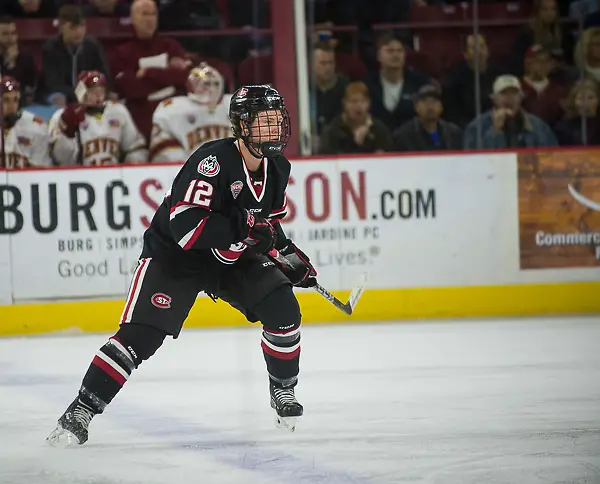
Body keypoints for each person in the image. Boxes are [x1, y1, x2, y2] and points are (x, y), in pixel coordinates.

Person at [46, 85, 317, 447]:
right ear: (241, 126)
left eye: (275, 120)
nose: (273, 129)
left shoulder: (278, 167)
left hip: (230, 255)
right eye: (262, 122)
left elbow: (263, 220)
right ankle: (80, 410)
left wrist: (286, 253)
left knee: (283, 307)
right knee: (140, 338)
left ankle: (283, 390)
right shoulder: (212, 161)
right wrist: (247, 229)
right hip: (176, 255)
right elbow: (188, 230)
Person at [48, 70, 148, 165]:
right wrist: (67, 133)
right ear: (81, 93)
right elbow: (61, 159)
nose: (98, 96)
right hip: (78, 178)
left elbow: (135, 147)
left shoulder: (117, 111)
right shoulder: (62, 115)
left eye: (101, 91)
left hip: (113, 176)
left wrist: (132, 167)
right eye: (93, 91)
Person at [149, 63, 232, 162]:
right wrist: (188, 166)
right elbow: (162, 150)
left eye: (215, 84)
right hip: (188, 171)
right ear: (192, 84)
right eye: (206, 84)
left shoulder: (234, 104)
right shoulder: (172, 108)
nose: (211, 89)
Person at [0, 76, 51, 168]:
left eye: (15, 100)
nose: (11, 106)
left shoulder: (34, 127)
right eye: (6, 100)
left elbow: (42, 170)